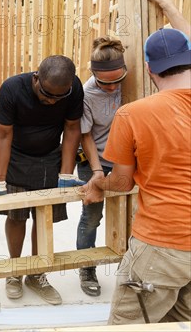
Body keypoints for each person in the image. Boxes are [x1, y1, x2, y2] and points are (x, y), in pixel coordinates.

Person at [80, 27, 190, 324]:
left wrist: (97, 181)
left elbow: (122, 182)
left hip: (162, 245)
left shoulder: (134, 114)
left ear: (148, 68)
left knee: (128, 326)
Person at [0, 55, 85, 305]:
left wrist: (66, 172)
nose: (51, 101)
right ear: (36, 78)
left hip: (51, 157)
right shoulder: (12, 89)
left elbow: (72, 129)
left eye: (58, 97)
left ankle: (36, 274)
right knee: (17, 217)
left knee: (44, 218)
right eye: (46, 94)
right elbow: (4, 135)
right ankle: (15, 271)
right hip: (16, 156)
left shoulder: (74, 89)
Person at [76, 37, 127, 297]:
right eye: (106, 82)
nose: (113, 87)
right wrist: (97, 172)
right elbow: (85, 135)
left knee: (131, 212)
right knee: (92, 215)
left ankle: (130, 267)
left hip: (126, 158)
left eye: (117, 81)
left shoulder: (132, 83)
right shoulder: (85, 94)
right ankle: (86, 267)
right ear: (94, 73)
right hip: (94, 157)